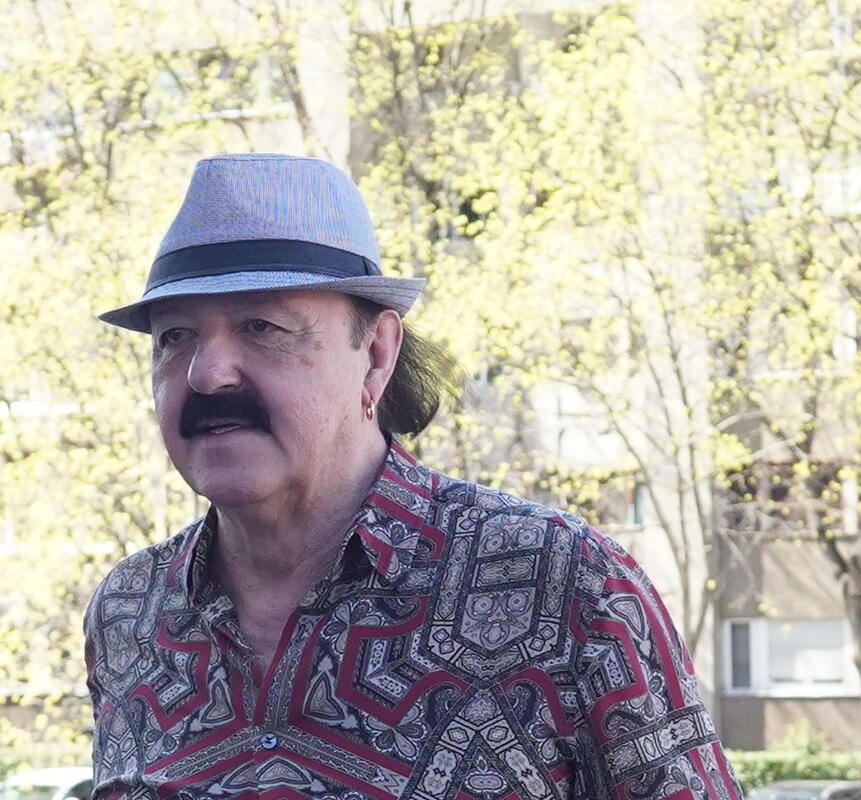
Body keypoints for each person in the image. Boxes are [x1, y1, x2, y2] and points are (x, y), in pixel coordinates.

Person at [85, 153, 743, 800]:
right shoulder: (126, 611)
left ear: (376, 354)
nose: (206, 374)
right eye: (174, 337)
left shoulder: (568, 583)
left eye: (262, 326)